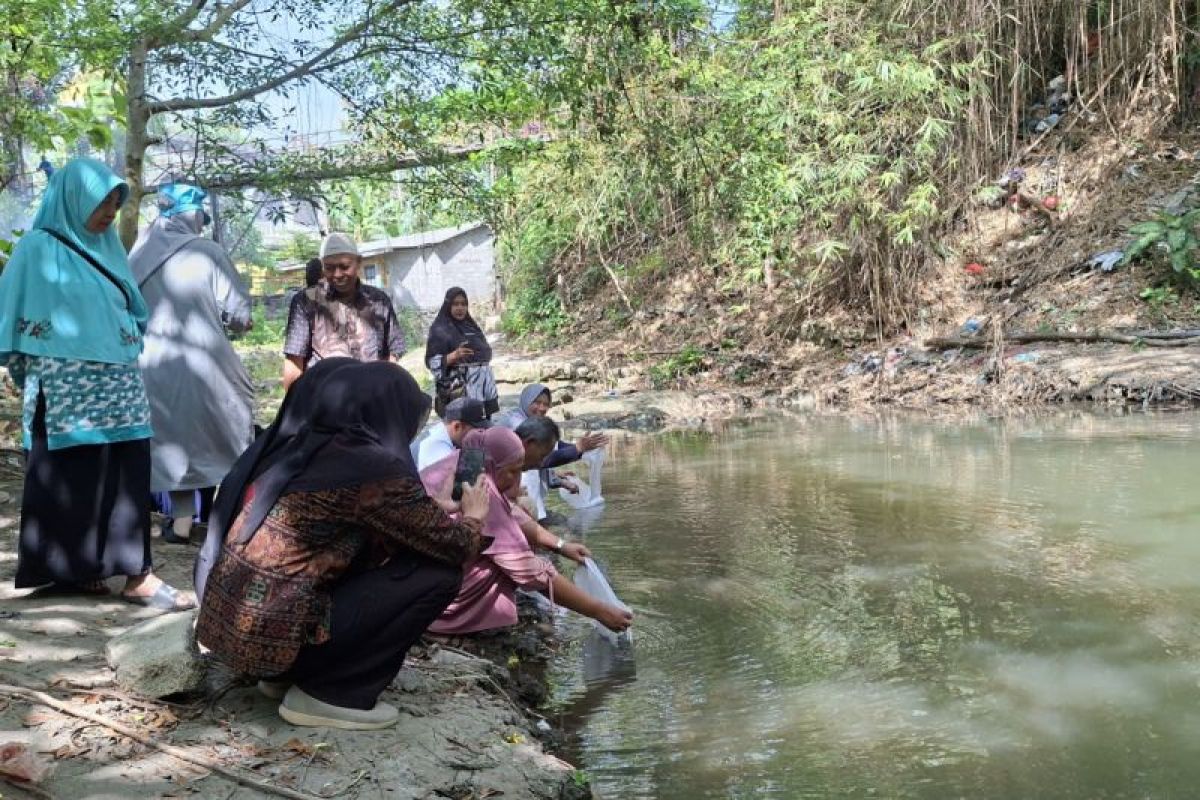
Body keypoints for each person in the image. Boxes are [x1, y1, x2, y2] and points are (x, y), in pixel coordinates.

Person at [195, 359, 489, 730]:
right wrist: (474, 516)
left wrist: (435, 509)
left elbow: (368, 517)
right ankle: (330, 693)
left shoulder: (310, 447)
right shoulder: (375, 468)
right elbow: (457, 547)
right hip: (271, 640)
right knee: (438, 575)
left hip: (235, 638)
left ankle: (283, 677)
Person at [0, 158, 191, 610]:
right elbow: (12, 309)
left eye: (114, 201)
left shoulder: (108, 247)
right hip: (65, 386)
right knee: (69, 474)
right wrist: (18, 366)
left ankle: (137, 576)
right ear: (72, 198)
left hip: (119, 382)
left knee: (126, 469)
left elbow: (131, 306)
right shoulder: (37, 248)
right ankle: (77, 571)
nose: (108, 211)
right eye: (101, 201)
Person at [130, 182, 255, 545]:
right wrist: (241, 322)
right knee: (226, 435)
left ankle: (181, 522)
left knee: (173, 445)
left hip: (148, 368)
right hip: (205, 365)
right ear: (192, 214)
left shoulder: (134, 254)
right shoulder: (207, 251)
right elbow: (239, 316)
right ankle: (227, 519)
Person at [420, 427, 631, 637]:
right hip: (436, 606)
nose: (516, 481)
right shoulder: (480, 488)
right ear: (494, 465)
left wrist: (560, 546)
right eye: (512, 471)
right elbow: (528, 571)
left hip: (422, 586)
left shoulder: (466, 462)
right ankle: (462, 624)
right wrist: (598, 611)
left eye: (520, 471)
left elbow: (510, 514)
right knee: (503, 562)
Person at [281, 232, 405, 389]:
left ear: (358, 262)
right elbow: (294, 363)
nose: (337, 275)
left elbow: (394, 352)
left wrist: (385, 390)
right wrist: (295, 408)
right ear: (322, 266)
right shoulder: (306, 301)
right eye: (329, 268)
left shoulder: (379, 301)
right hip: (323, 399)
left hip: (371, 395)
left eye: (344, 267)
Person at [424, 287, 499, 417]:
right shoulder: (439, 329)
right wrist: (453, 356)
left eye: (463, 304)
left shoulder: (471, 326)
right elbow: (431, 362)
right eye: (455, 304)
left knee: (481, 431)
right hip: (457, 393)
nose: (460, 308)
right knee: (461, 432)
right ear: (448, 305)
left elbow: (485, 351)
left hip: (483, 392)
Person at [415, 396, 492, 471]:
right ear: (457, 426)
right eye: (476, 429)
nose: (479, 434)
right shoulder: (436, 448)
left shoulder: (446, 435)